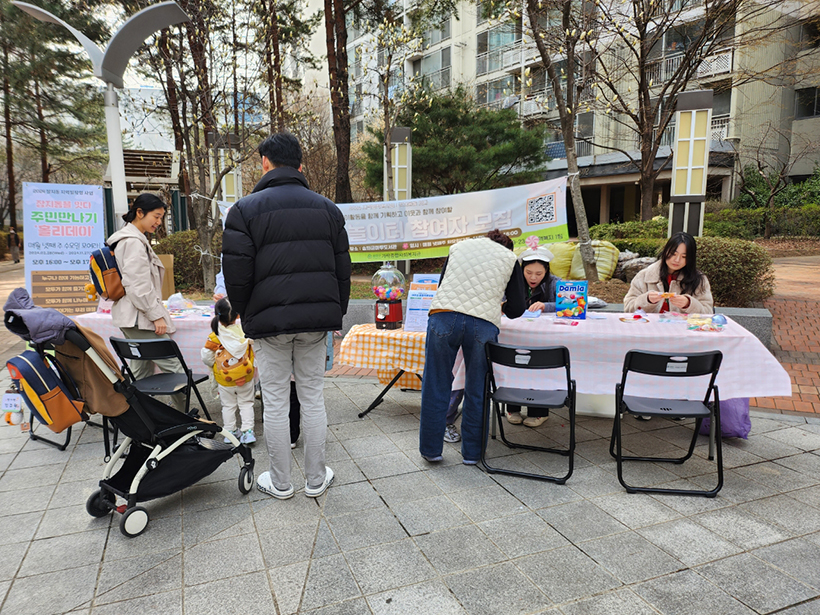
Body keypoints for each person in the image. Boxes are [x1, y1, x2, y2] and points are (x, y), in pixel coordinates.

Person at [222, 132, 350, 500]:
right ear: (299, 164)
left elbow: (237, 274)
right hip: (315, 323)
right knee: (312, 396)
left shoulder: (244, 210)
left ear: (265, 162)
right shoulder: (328, 209)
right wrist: (334, 312)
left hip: (268, 323)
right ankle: (315, 479)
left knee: (276, 400)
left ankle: (280, 483)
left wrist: (246, 312)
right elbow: (343, 269)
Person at [419, 229, 527, 465]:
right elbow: (518, 307)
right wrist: (502, 306)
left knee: (435, 383)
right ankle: (472, 453)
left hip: (443, 317)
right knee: (477, 388)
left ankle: (431, 450)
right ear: (507, 246)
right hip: (483, 324)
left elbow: (443, 284)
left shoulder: (458, 247)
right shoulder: (510, 258)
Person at [107, 194, 186, 411]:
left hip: (133, 316)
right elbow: (138, 285)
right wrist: (156, 315)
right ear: (139, 213)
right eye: (156, 216)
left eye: (161, 218)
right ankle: (183, 418)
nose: (159, 222)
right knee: (174, 367)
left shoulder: (131, 238)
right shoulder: (132, 242)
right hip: (139, 317)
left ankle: (134, 416)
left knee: (141, 370)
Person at [505, 241, 560, 428]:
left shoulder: (555, 283)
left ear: (546, 271)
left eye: (539, 274)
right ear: (522, 270)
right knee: (513, 366)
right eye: (528, 273)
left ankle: (539, 412)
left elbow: (569, 304)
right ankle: (512, 408)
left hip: (543, 337)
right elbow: (502, 300)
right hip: (517, 333)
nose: (533, 277)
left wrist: (547, 306)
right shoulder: (513, 281)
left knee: (540, 367)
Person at [201, 298, 257, 445]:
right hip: (245, 375)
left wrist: (215, 365)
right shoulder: (244, 332)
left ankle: (230, 432)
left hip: (224, 379)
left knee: (228, 405)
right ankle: (248, 431)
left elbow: (206, 357)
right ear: (238, 316)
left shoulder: (214, 337)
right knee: (246, 403)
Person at [623, 231, 713, 314]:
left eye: (684, 257)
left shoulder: (699, 280)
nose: (677, 260)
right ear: (666, 251)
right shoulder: (644, 276)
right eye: (673, 254)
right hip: (650, 328)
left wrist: (688, 304)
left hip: (683, 330)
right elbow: (628, 308)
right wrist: (647, 300)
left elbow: (708, 312)